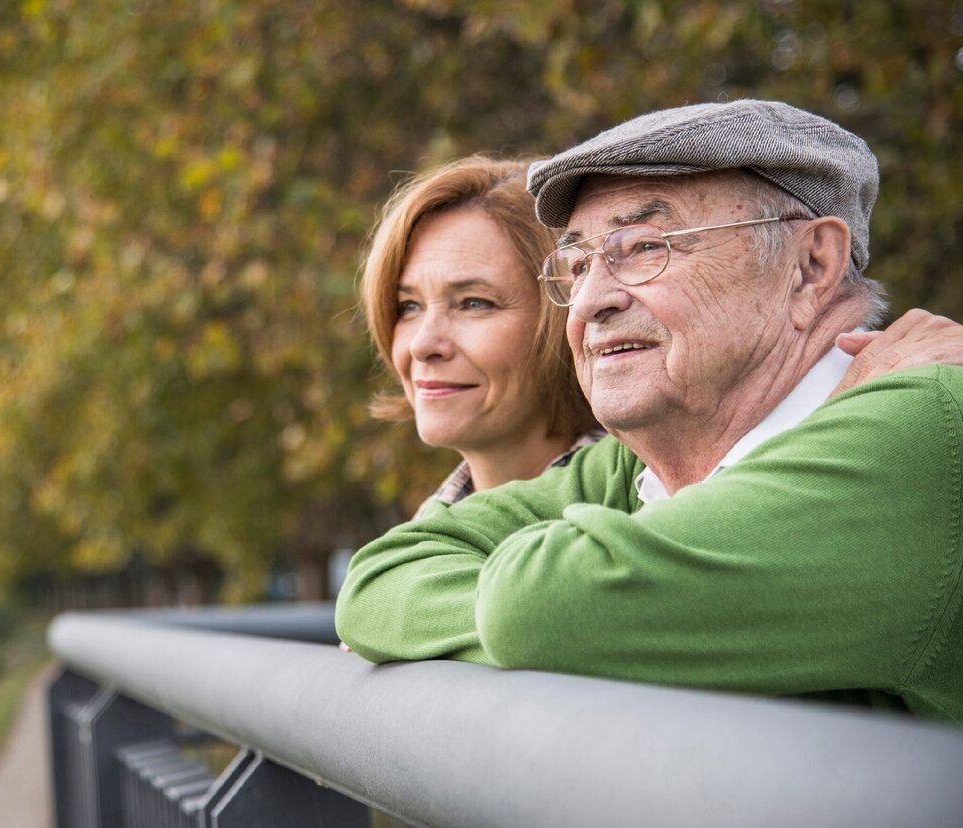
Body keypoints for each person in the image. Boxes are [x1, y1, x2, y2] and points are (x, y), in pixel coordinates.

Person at [336, 100, 963, 723]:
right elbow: (379, 581)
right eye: (578, 264)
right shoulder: (633, 465)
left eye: (644, 247)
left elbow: (542, 609)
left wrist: (541, 625)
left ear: (811, 266)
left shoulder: (919, 430)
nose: (588, 304)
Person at [360, 157, 602, 517]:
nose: (423, 345)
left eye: (474, 303)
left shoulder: (650, 508)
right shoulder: (419, 543)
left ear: (566, 311)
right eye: (409, 306)